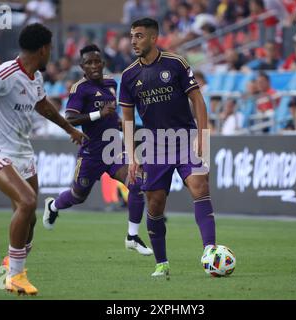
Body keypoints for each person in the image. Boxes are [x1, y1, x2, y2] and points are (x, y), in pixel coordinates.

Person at [0, 23, 88, 296]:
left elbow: (42, 106)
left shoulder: (34, 77)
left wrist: (70, 130)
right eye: (50, 48)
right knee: (27, 202)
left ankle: (10, 261)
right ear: (43, 49)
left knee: (29, 220)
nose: (51, 53)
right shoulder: (3, 74)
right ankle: (15, 276)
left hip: (23, 153)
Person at [119, 18, 216, 278]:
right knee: (156, 203)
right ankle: (161, 262)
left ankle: (210, 250)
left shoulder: (176, 64)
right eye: (132, 36)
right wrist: (132, 156)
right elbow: (127, 119)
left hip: (185, 138)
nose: (134, 41)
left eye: (139, 36)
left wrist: (202, 135)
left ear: (153, 38)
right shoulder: (128, 76)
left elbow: (197, 100)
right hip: (154, 145)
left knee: (200, 186)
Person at [42, 44, 153, 256]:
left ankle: (132, 236)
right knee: (77, 195)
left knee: (136, 184)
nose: (94, 66)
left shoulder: (112, 84)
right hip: (90, 154)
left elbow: (112, 115)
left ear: (103, 63)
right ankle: (53, 206)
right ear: (82, 67)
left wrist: (123, 124)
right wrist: (98, 114)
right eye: (89, 63)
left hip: (113, 149)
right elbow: (71, 118)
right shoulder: (79, 89)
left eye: (97, 61)